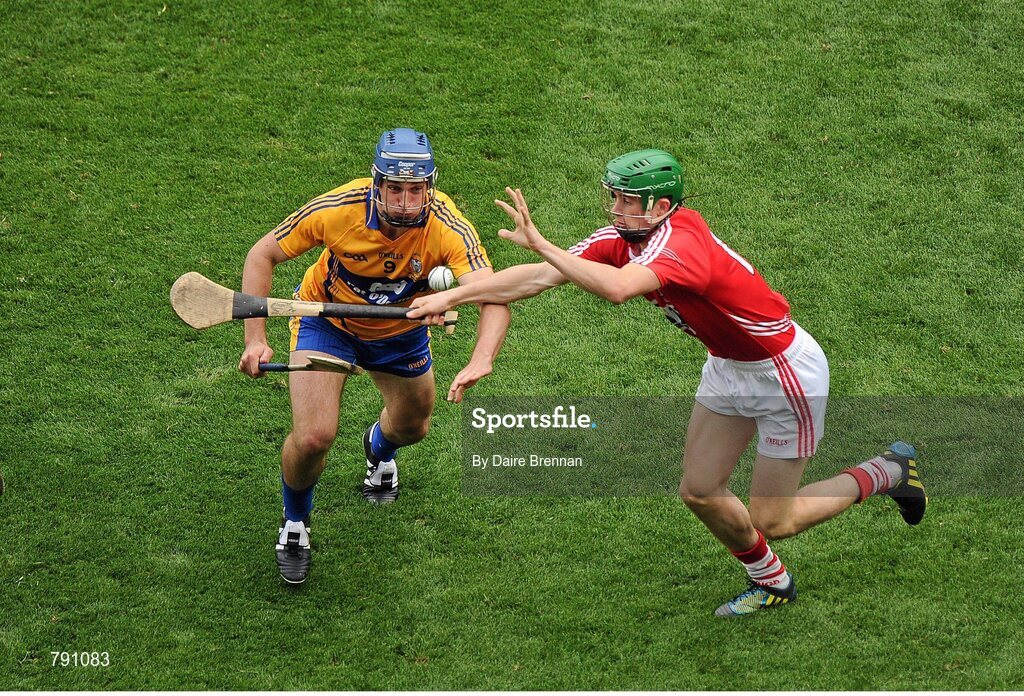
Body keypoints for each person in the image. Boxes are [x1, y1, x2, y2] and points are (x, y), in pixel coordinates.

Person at [408, 149, 926, 616]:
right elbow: (542, 278)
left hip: (781, 373)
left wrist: (544, 244)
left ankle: (888, 472)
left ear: (659, 206)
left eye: (625, 200)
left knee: (775, 519)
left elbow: (614, 290)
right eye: (613, 197)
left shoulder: (682, 246)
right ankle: (771, 580)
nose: (614, 209)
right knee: (699, 491)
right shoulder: (625, 237)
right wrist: (450, 299)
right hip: (727, 366)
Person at [239, 128, 511, 584]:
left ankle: (378, 449)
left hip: (401, 334)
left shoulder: (447, 225)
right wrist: (254, 339)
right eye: (395, 189)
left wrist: (482, 356)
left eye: (416, 190)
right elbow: (261, 255)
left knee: (413, 427)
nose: (406, 202)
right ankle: (295, 522)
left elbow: (494, 296)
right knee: (313, 437)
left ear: (429, 186)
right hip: (326, 324)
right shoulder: (337, 210)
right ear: (377, 184)